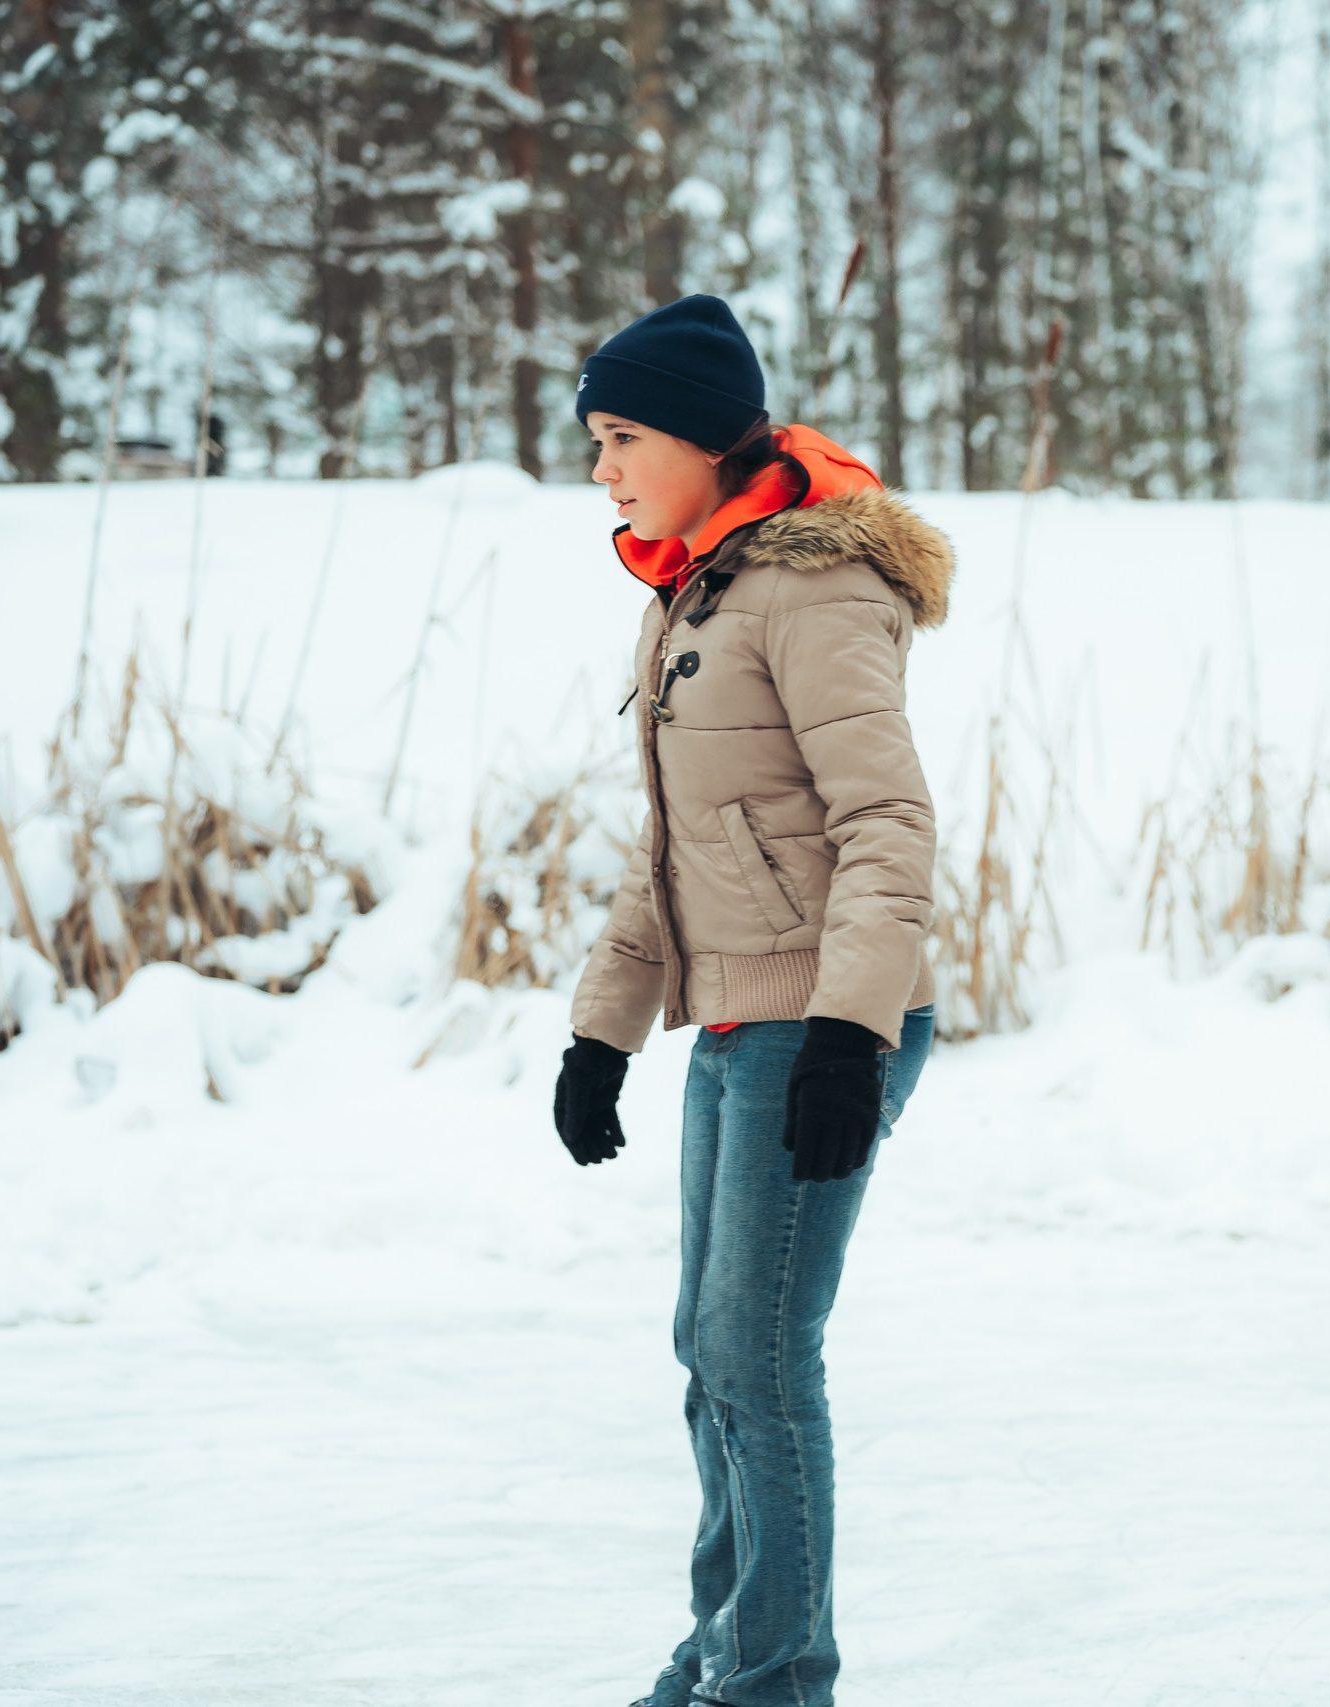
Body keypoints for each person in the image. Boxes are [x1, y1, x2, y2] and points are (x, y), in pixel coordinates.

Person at [547, 294, 953, 1704]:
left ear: (708, 438)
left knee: (758, 1353)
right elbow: (677, 849)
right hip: (736, 1020)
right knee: (710, 1348)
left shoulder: (817, 591)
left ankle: (777, 1674)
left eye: (621, 437)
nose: (601, 468)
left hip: (822, 1022)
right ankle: (731, 1644)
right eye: (593, 440)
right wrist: (601, 1033)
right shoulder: (693, 595)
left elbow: (886, 824)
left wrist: (854, 1027)